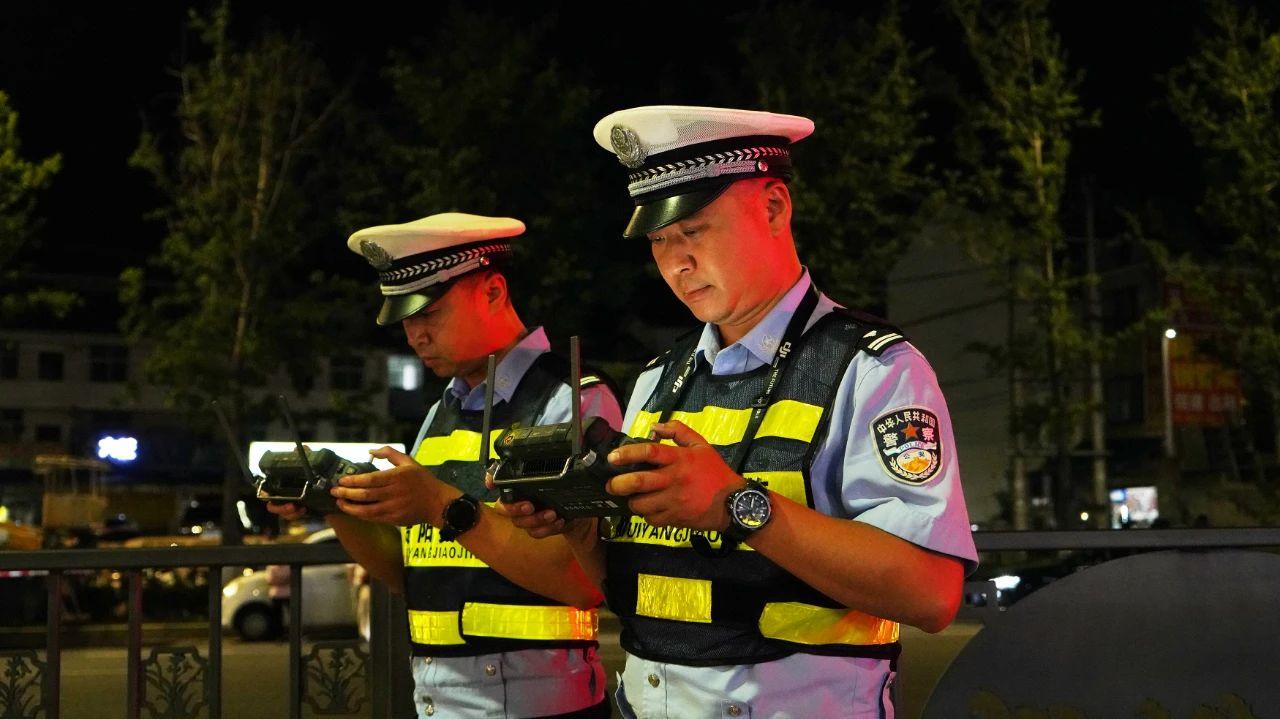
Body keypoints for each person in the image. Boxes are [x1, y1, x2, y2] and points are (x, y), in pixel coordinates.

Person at [502, 107, 979, 717]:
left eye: (694, 230)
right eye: (659, 240)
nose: (675, 262)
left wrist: (737, 506)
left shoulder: (875, 369)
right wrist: (576, 524)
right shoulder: (658, 379)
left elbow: (932, 594)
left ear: (774, 208)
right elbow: (636, 588)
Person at [270, 212, 621, 718]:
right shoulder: (443, 410)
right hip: (440, 701)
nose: (415, 336)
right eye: (406, 320)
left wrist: (441, 505)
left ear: (493, 291)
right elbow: (410, 572)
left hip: (540, 705)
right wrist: (337, 504)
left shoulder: (573, 399)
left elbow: (583, 579)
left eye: (429, 313)